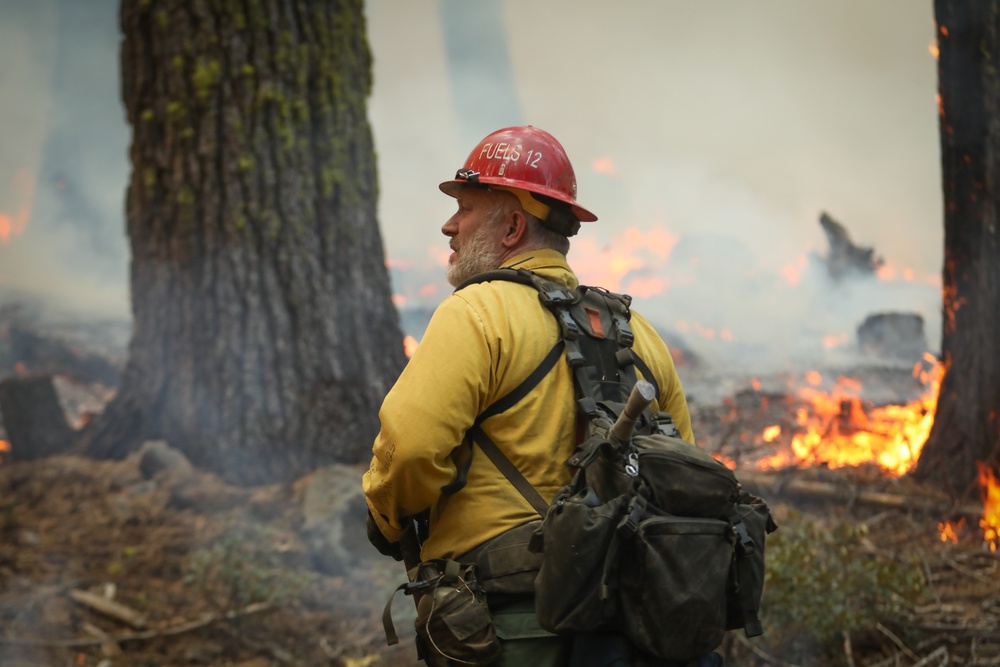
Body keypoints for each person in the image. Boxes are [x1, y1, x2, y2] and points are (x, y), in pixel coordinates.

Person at [362, 126, 708, 666]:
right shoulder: (640, 334)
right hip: (632, 632)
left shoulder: (475, 313)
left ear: (514, 225)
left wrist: (386, 518)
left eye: (467, 208)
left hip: (511, 629)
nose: (449, 226)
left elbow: (408, 450)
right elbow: (683, 473)